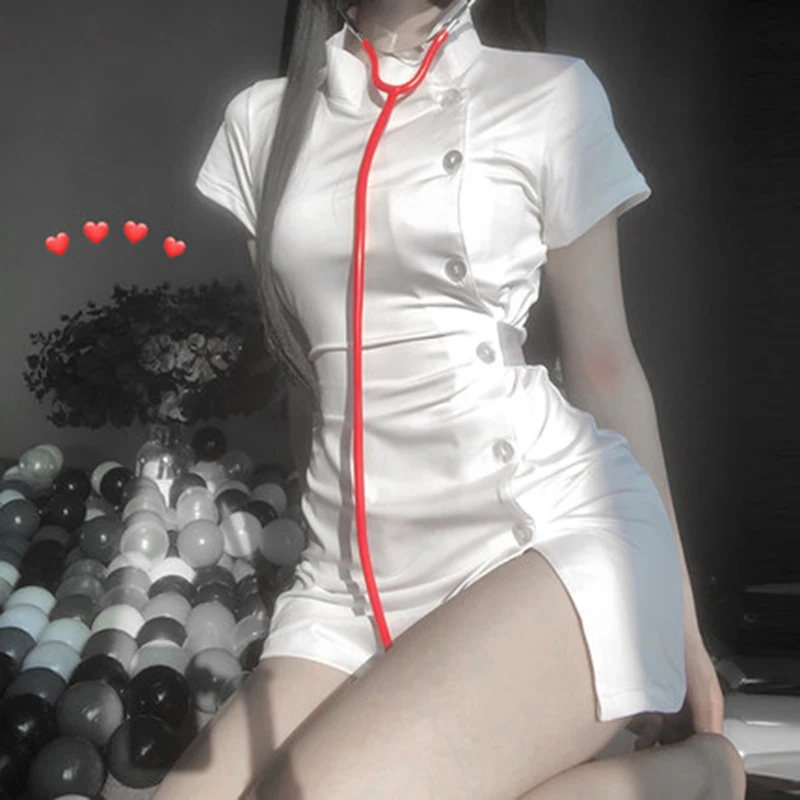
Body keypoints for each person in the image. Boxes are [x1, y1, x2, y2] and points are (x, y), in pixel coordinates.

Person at [157, 1, 746, 797]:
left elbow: (605, 367)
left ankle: (703, 772)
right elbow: (311, 385)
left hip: (542, 534)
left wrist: (684, 630)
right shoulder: (261, 123)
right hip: (348, 588)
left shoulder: (549, 95)